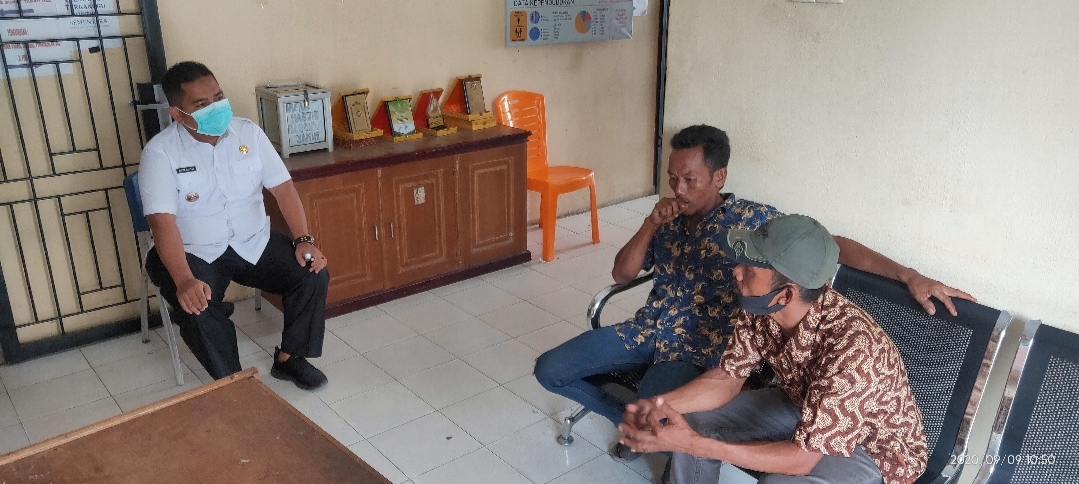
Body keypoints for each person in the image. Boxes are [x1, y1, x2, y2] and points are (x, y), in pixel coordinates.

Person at [533, 125, 970, 460]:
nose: (679, 189)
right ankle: (637, 431)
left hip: (699, 350)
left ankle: (651, 435)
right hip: (646, 331)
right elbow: (622, 273)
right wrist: (651, 223)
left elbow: (832, 245)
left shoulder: (753, 222)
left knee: (658, 408)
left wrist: (908, 274)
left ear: (719, 176)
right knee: (550, 370)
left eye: (690, 179)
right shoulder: (667, 220)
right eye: (673, 179)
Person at [619, 214, 928, 484]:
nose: (737, 271)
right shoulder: (763, 306)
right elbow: (727, 378)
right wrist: (659, 405)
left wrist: (694, 445)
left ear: (785, 295)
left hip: (872, 447)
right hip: (803, 404)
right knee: (694, 420)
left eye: (751, 269)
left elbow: (800, 460)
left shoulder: (854, 352)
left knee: (777, 481)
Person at [139, 61, 330, 389]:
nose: (215, 108)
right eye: (201, 104)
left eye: (218, 97)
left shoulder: (248, 133)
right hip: (193, 251)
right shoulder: (160, 153)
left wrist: (304, 239)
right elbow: (161, 223)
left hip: (253, 241)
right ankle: (235, 384)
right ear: (178, 114)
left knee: (312, 272)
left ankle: (290, 359)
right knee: (196, 305)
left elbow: (283, 189)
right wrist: (184, 280)